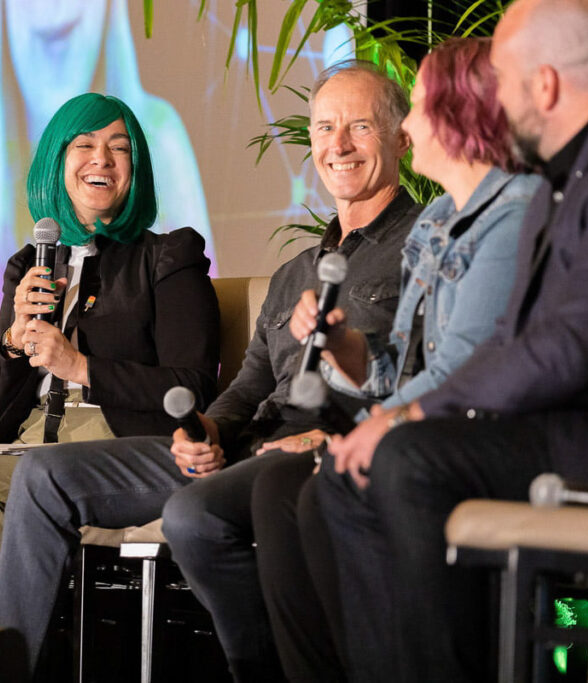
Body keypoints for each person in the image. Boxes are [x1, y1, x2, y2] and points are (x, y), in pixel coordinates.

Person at [0, 61, 422, 681]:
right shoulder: (298, 270)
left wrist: (334, 434)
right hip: (237, 449)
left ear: (404, 138)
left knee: (197, 515)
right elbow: (247, 385)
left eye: (359, 127)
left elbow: (433, 374)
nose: (337, 146)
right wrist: (209, 431)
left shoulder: (427, 250)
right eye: (324, 129)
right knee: (39, 476)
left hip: (322, 451)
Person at [299, 1, 588, 681]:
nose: (492, 104)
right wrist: (390, 413)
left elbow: (567, 346)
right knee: (345, 478)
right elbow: (514, 340)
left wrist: (410, 412)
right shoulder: (563, 180)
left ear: (545, 85)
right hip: (571, 432)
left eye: (502, 80)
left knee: (409, 458)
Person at [162, 37, 541, 683]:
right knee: (285, 486)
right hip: (369, 434)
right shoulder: (440, 224)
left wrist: (359, 430)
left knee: (295, 485)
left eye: (413, 110)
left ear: (461, 115)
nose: (410, 125)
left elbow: (462, 370)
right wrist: (347, 347)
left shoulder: (509, 216)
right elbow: (400, 363)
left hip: (467, 439)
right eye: (327, 128)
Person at [0, 92, 220, 628]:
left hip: (120, 440)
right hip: (32, 439)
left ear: (136, 167)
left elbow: (193, 386)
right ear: (55, 163)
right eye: (84, 144)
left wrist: (80, 367)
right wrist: (14, 344)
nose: (101, 160)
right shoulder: (31, 264)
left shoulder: (169, 256)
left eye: (119, 148)